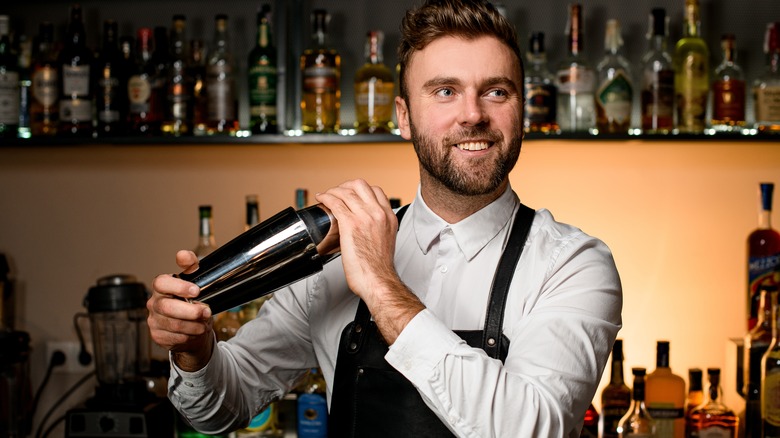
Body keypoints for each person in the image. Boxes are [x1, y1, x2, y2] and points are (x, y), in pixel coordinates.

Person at [147, 0, 622, 436]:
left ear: (521, 110)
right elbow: (219, 408)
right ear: (404, 117)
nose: (472, 115)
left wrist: (380, 284)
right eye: (444, 91)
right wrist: (194, 352)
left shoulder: (572, 264)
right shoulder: (335, 257)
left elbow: (534, 429)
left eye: (496, 91)